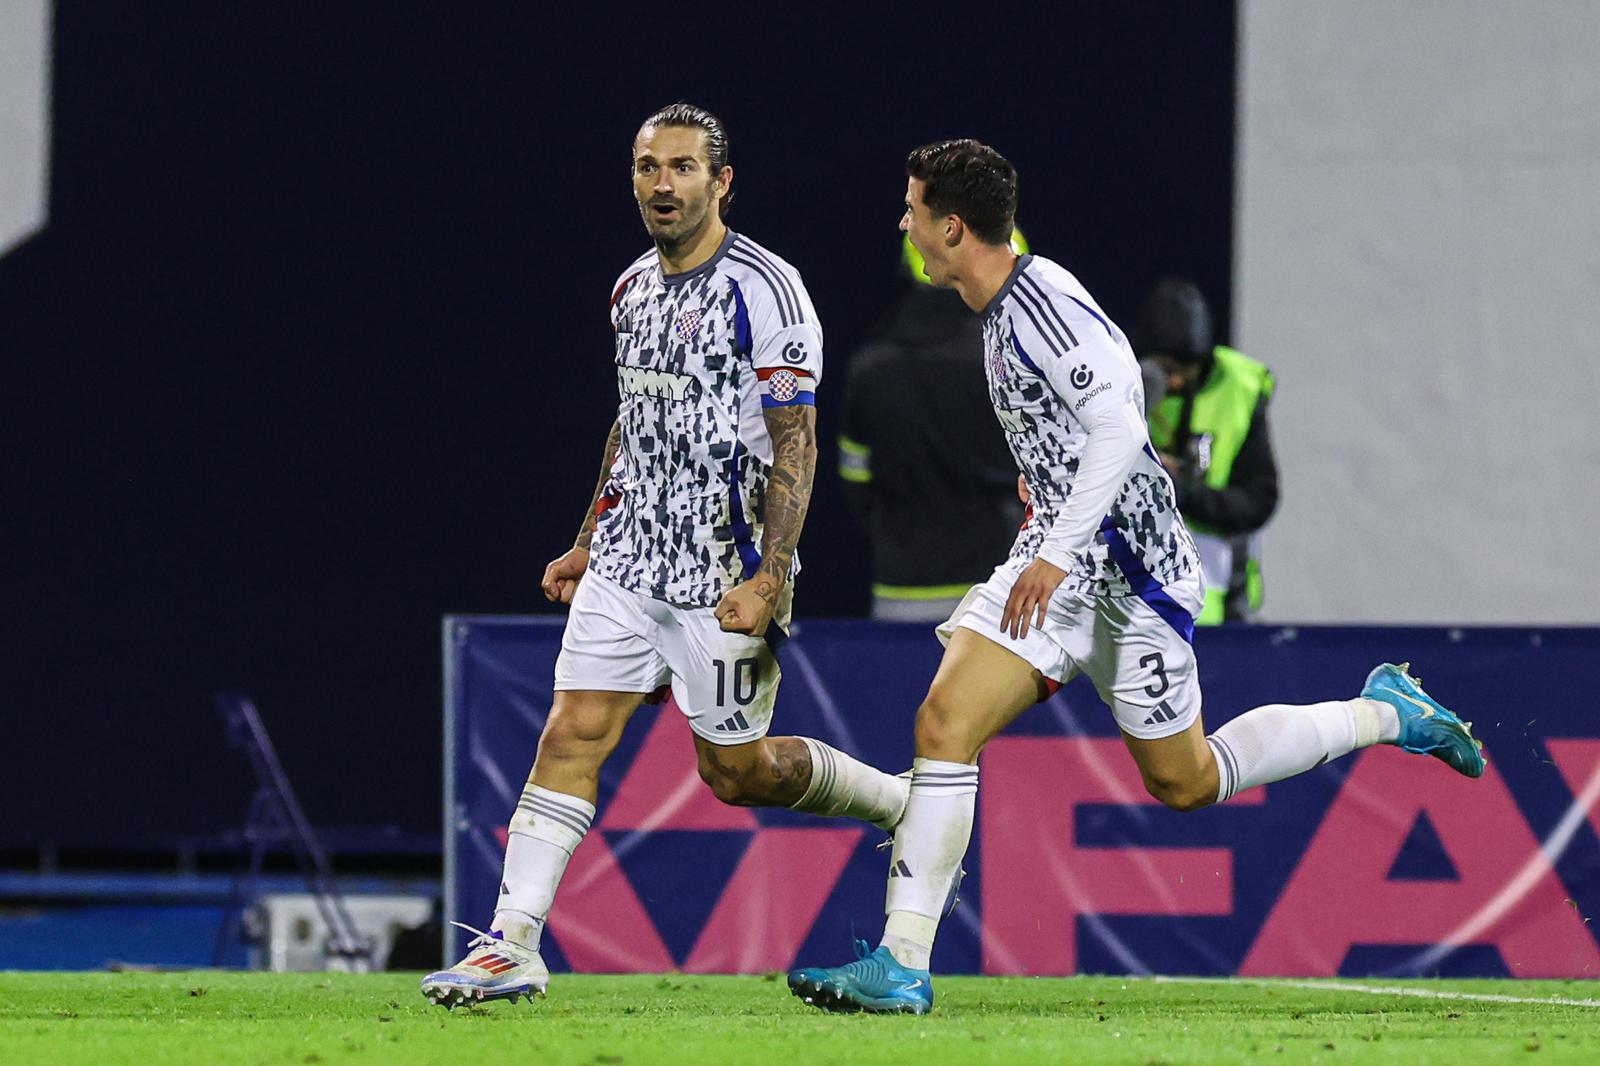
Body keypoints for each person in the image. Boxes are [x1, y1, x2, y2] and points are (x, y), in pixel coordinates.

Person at [786, 139, 1485, 1016]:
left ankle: (1384, 711)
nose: (904, 222)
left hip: (1134, 577)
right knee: (944, 720)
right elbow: (1078, 435)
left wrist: (1054, 547)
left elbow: (1120, 430)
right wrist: (1046, 511)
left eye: (913, 208)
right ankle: (902, 963)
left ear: (951, 226)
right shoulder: (997, 310)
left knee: (1187, 781)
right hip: (1063, 562)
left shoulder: (1044, 307)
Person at [421, 104, 909, 1008]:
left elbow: (795, 441)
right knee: (571, 732)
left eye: (682, 168)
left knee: (735, 773)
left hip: (724, 573)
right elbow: (633, 422)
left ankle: (894, 803)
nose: (662, 185)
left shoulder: (768, 290)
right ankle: (512, 943)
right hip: (630, 560)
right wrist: (585, 540)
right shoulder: (629, 289)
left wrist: (770, 576)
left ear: (721, 182)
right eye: (647, 167)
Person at [837, 233, 1029, 621]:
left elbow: (855, 481)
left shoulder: (871, 368)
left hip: (903, 590)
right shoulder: (1012, 365)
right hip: (1001, 593)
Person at [1132, 279, 1278, 623]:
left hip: (1214, 601)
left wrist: (1180, 489)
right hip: (1130, 598)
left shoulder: (1240, 390)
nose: (1177, 383)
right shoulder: (1117, 386)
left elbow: (1257, 502)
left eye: (1187, 371)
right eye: (1166, 371)